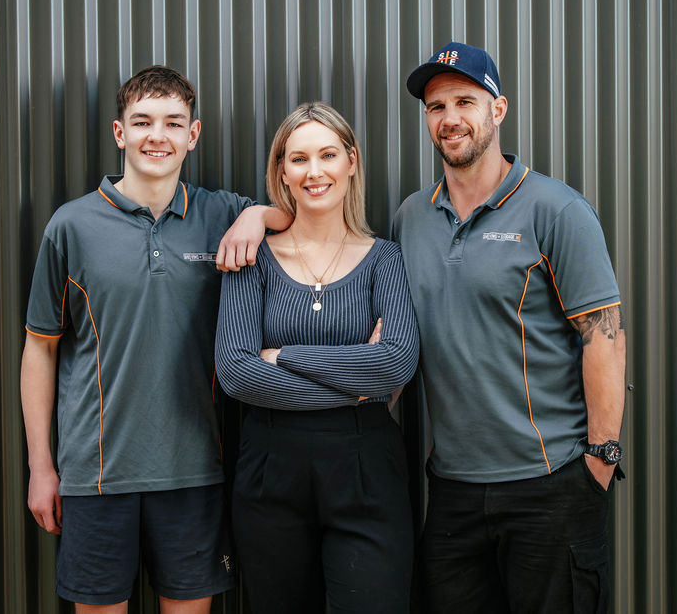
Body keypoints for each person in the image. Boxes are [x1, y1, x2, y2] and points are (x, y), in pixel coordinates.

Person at [20, 65, 291, 613]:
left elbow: (295, 216)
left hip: (193, 472)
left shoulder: (220, 213)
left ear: (193, 135)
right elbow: (40, 349)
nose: (157, 136)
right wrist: (41, 468)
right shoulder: (71, 226)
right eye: (142, 122)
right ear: (120, 133)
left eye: (173, 123)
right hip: (95, 476)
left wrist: (257, 215)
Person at [392, 42, 627, 613]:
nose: (449, 119)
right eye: (435, 106)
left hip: (550, 485)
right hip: (450, 490)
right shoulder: (410, 218)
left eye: (464, 101)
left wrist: (600, 459)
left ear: (498, 111)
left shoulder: (556, 210)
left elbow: (604, 338)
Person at [214, 102, 420, 613]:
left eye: (327, 155)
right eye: (299, 158)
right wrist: (354, 377)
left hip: (366, 466)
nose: (314, 172)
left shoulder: (386, 259)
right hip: (269, 466)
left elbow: (395, 364)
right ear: (281, 170)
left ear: (351, 160)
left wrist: (283, 355)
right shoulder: (251, 258)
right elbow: (236, 372)